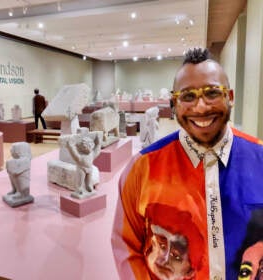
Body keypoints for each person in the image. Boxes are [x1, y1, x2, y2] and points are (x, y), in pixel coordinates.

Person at [111, 48, 263, 280]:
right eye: (188, 96)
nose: (200, 107)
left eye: (212, 93)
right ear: (174, 104)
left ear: (230, 97)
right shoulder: (142, 168)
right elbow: (127, 248)